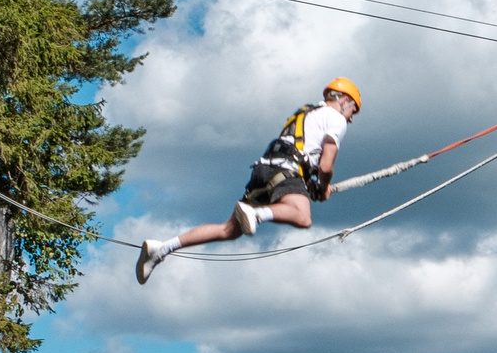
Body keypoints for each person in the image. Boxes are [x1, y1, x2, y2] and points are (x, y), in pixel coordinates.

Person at [138, 78, 362, 283]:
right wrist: (322, 188)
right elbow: (326, 164)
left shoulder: (309, 113)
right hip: (284, 170)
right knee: (302, 217)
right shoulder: (336, 119)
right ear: (344, 99)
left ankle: (162, 248)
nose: (351, 118)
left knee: (229, 230)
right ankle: (257, 214)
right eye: (353, 110)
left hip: (264, 170)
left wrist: (310, 183)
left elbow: (307, 155)